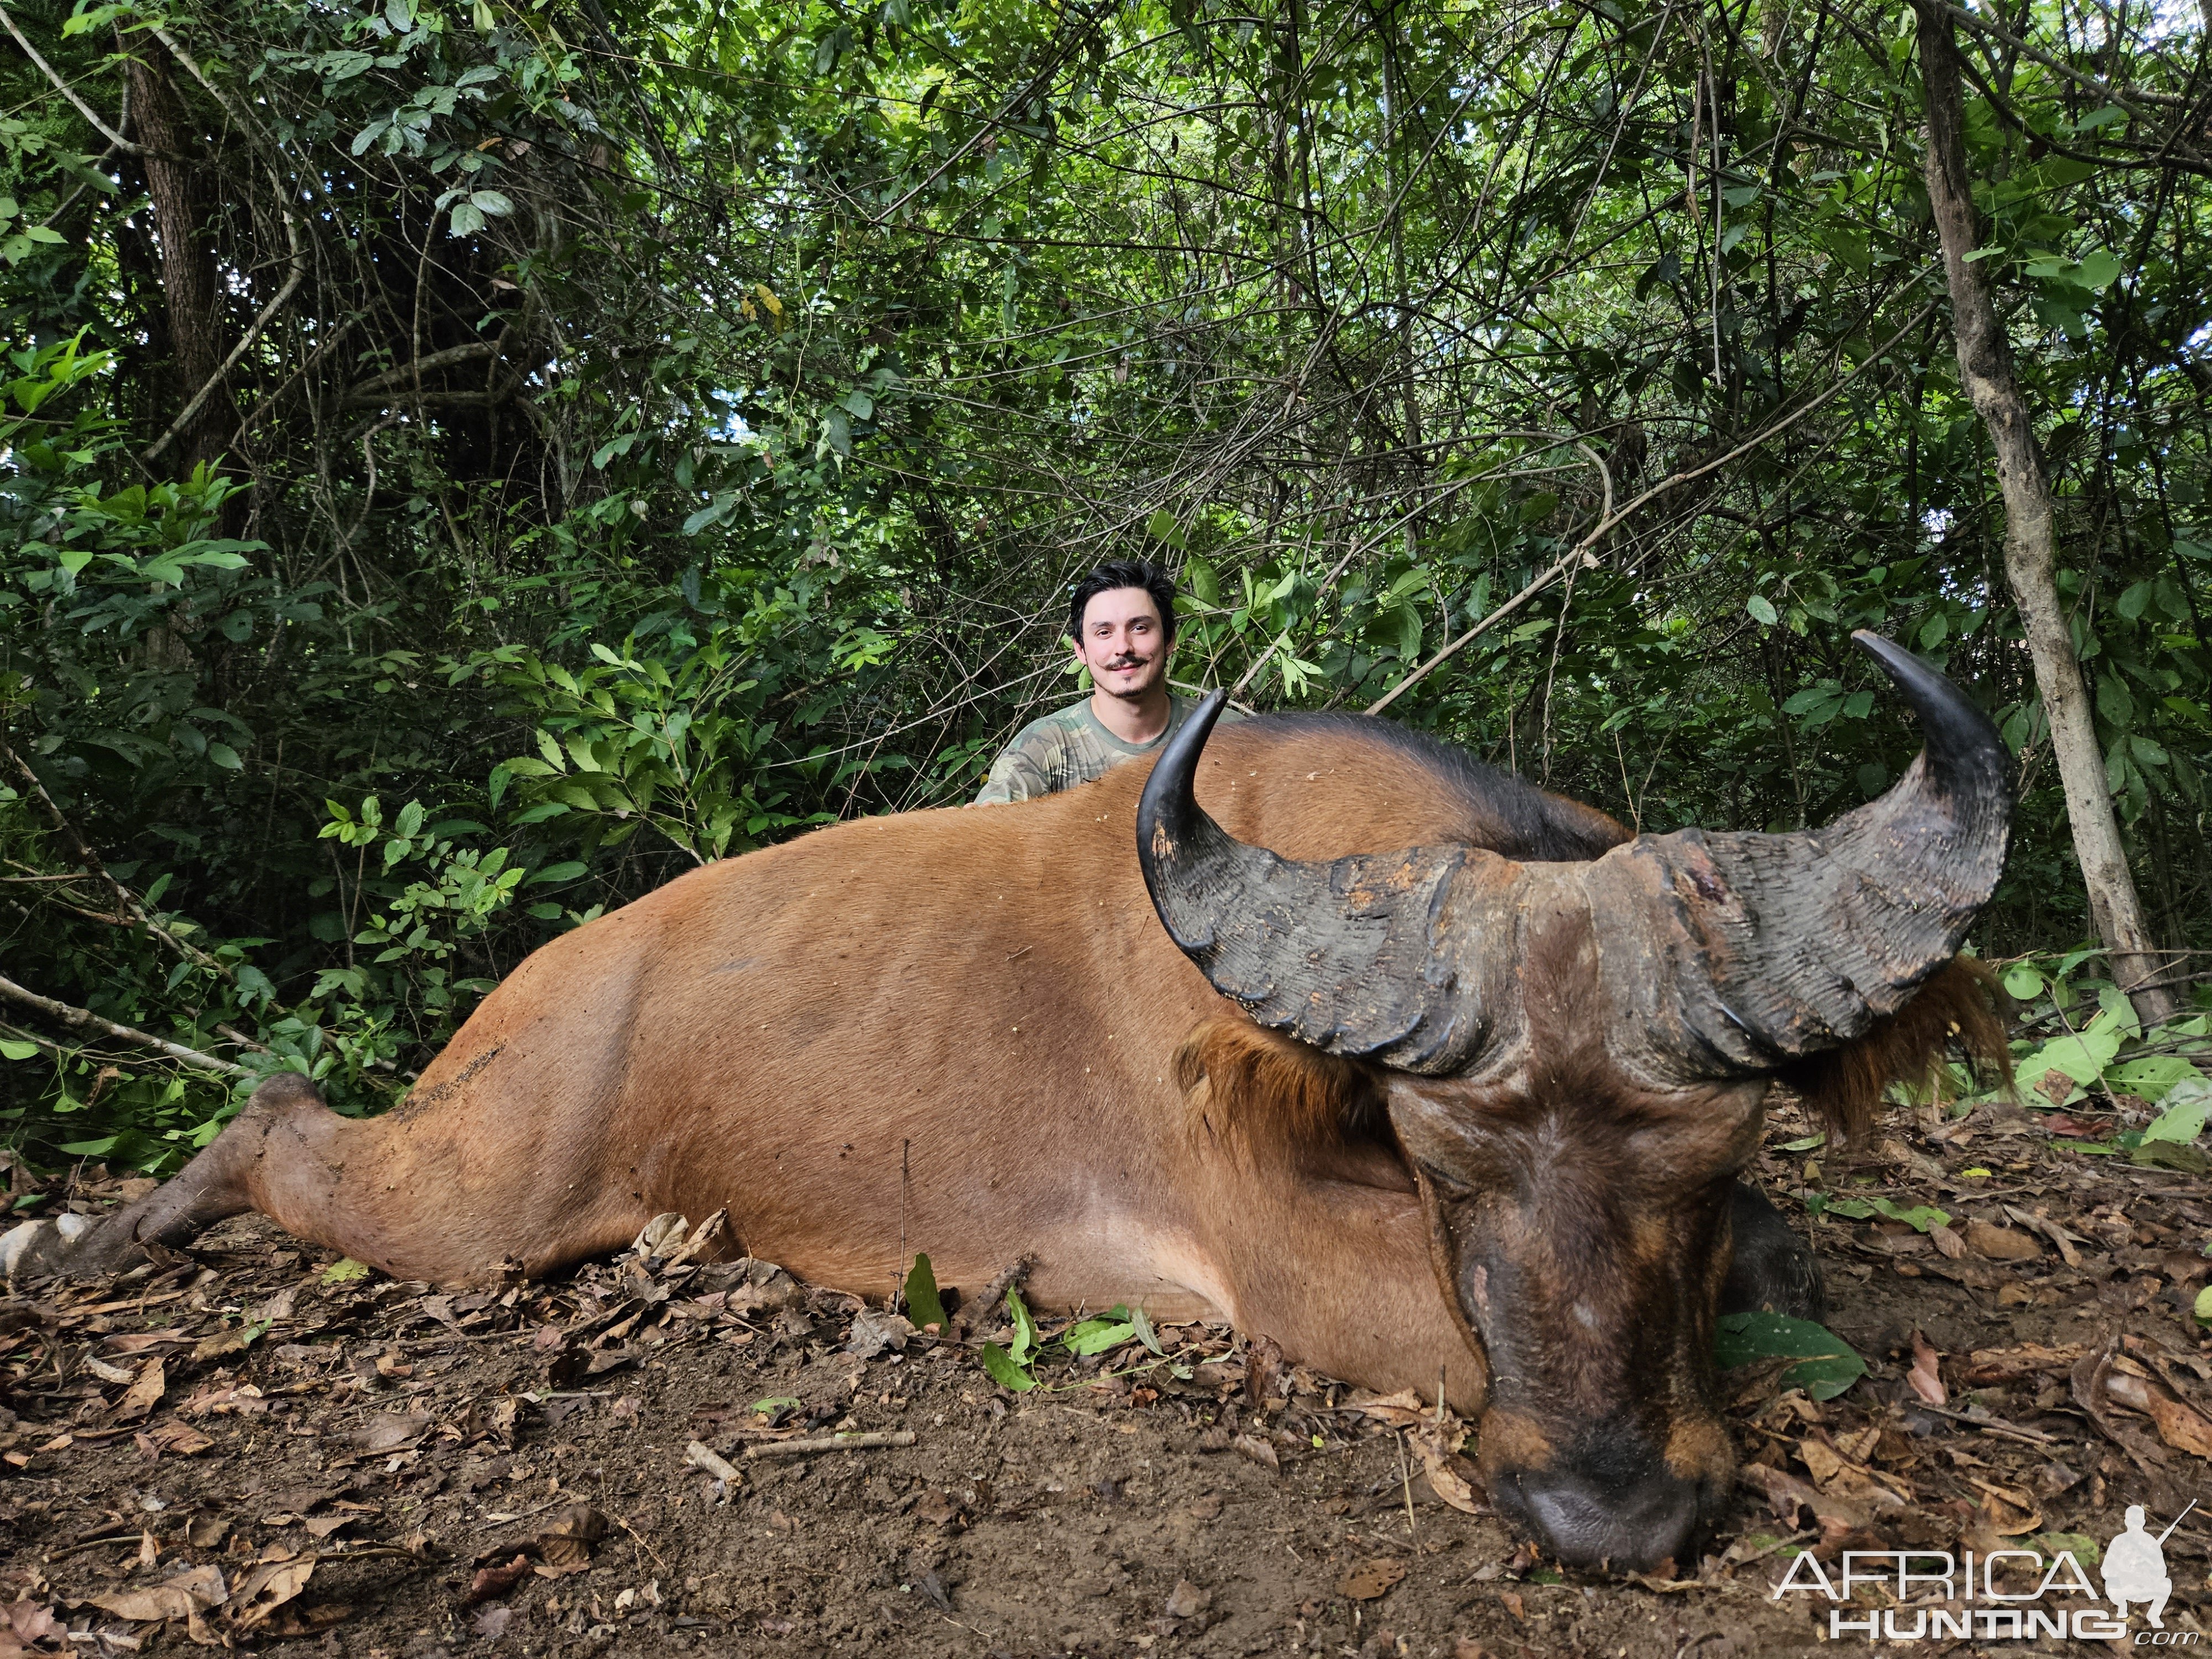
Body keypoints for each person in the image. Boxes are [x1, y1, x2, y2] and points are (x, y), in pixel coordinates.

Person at [973, 559, 1239, 805]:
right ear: (1081, 650)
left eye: (1139, 628)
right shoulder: (1044, 746)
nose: (1122, 647)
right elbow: (988, 838)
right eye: (1104, 633)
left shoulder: (1231, 734)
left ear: (1170, 639)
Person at [2104, 1505, 2172, 1627]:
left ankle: (2154, 1614)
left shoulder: (2151, 1542)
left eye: (2138, 1521)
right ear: (2126, 1522)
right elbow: (2106, 1571)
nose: (2135, 1525)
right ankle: (2122, 1606)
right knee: (2110, 1585)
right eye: (2132, 1521)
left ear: (2143, 1522)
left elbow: (2162, 1571)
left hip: (2145, 1588)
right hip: (2123, 1588)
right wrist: (2125, 1572)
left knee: (2166, 1584)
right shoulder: (2118, 1541)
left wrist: (2149, 1571)